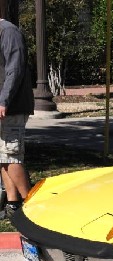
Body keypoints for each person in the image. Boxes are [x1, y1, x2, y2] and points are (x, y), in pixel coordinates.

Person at [0, 18, 34, 219]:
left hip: (12, 106)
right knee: (2, 157)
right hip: (4, 105)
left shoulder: (8, 32)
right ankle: (13, 204)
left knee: (12, 156)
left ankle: (31, 204)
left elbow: (15, 69)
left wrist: (3, 101)